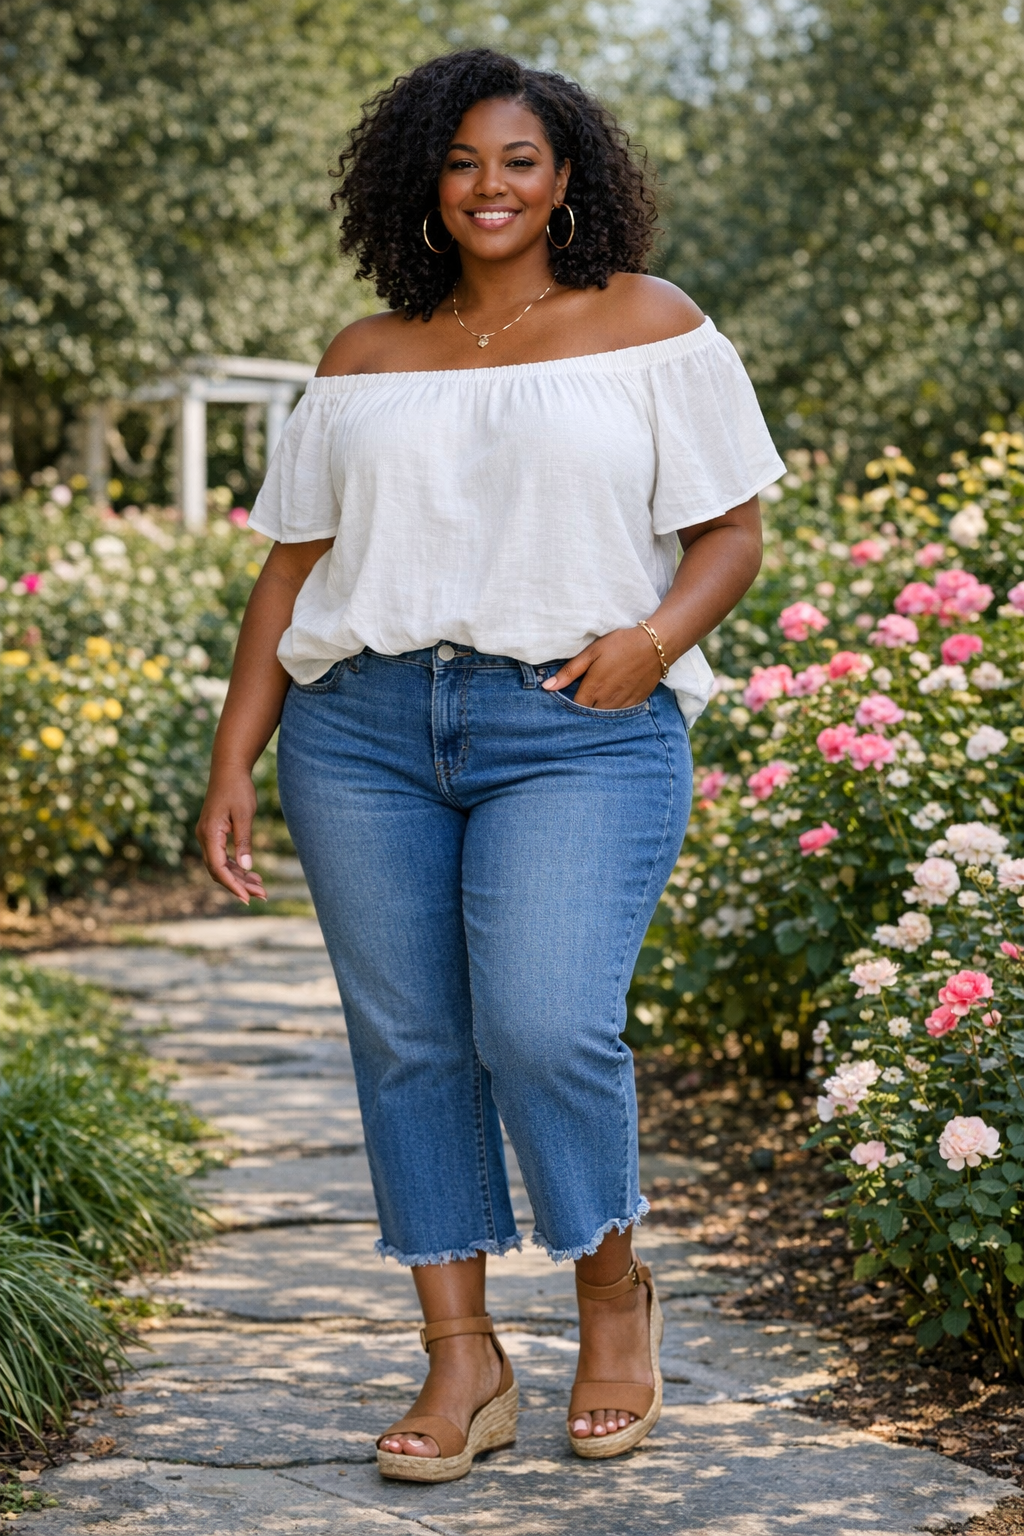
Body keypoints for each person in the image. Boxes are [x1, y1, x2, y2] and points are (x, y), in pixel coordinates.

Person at [196, 47, 783, 1483]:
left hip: (575, 724)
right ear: (424, 184)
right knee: (408, 1045)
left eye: (518, 160)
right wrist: (232, 758)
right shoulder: (362, 358)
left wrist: (655, 639)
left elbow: (733, 533)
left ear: (568, 175)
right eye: (462, 163)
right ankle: (463, 1364)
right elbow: (290, 579)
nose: (490, 187)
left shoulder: (648, 324)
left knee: (542, 1024)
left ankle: (609, 1292)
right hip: (365, 735)